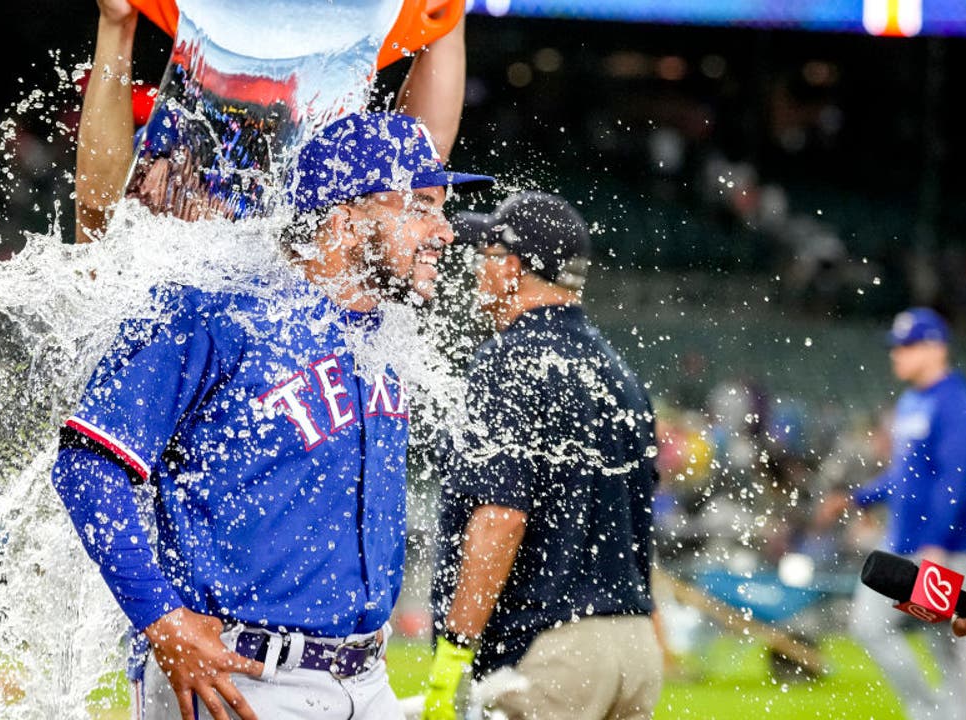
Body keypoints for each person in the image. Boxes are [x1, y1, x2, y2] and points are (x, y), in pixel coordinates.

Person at [51, 111, 492, 720]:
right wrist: (160, 618)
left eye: (441, 206)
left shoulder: (390, 334)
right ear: (343, 220)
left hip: (367, 678)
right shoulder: (213, 307)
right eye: (420, 204)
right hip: (241, 677)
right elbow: (86, 465)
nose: (444, 230)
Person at [425, 192, 662, 720]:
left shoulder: (508, 361)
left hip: (550, 653)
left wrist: (453, 654)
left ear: (510, 268)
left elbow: (499, 520)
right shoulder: (619, 372)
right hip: (635, 648)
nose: (477, 273)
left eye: (485, 257)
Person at [73, 0, 468, 243]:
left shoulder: (315, 198)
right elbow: (97, 230)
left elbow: (417, 166)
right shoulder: (171, 170)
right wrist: (115, 25)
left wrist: (116, 27)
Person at [819, 307, 966, 719]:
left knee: (952, 647)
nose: (897, 355)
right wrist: (857, 498)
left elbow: (956, 479)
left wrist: (935, 545)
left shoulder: (957, 403)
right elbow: (902, 476)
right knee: (873, 628)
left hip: (945, 550)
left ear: (935, 348)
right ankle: (928, 712)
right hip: (903, 544)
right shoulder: (912, 401)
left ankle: (940, 714)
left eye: (907, 346)